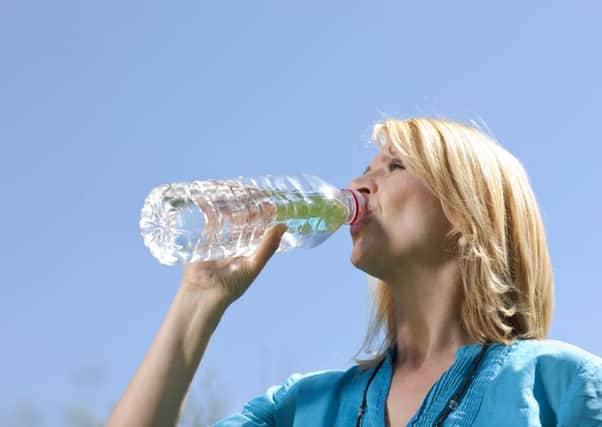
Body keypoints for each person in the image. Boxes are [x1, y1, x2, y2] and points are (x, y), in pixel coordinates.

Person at [106, 118, 602, 427]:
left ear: (468, 213)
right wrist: (198, 300)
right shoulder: (304, 406)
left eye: (395, 166)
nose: (357, 184)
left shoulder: (557, 383)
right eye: (366, 168)